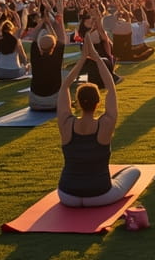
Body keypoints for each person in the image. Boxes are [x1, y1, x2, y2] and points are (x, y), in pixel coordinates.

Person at [56, 36, 141, 207]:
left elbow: (64, 87)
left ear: (77, 102)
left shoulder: (66, 124)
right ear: (98, 103)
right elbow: (110, 87)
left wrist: (81, 61)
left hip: (67, 195)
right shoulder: (106, 124)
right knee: (134, 171)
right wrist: (96, 58)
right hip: (100, 194)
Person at [28, 1, 67, 111]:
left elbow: (33, 37)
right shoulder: (56, 57)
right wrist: (60, 15)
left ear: (40, 46)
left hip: (35, 102)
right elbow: (62, 38)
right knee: (66, 77)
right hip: (54, 102)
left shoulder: (35, 57)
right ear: (54, 46)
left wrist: (42, 22)